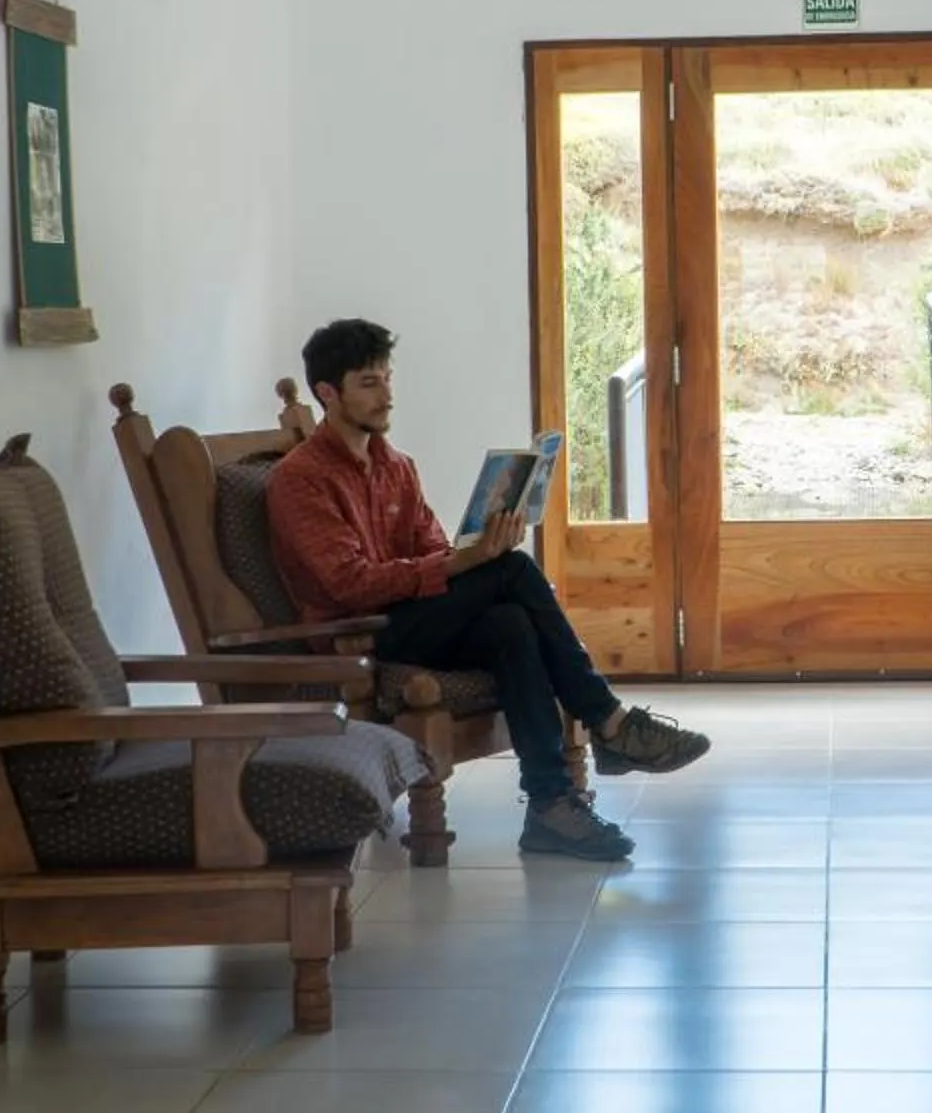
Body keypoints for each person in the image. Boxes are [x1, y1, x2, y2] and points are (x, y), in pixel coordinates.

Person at [265, 317, 710, 860]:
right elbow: (348, 584)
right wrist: (467, 563)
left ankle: (550, 805)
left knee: (510, 623)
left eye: (388, 378)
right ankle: (609, 721)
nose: (387, 395)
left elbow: (432, 547)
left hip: (415, 618)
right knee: (512, 572)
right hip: (360, 633)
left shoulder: (396, 467)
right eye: (369, 383)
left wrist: (479, 547)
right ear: (327, 393)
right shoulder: (301, 478)